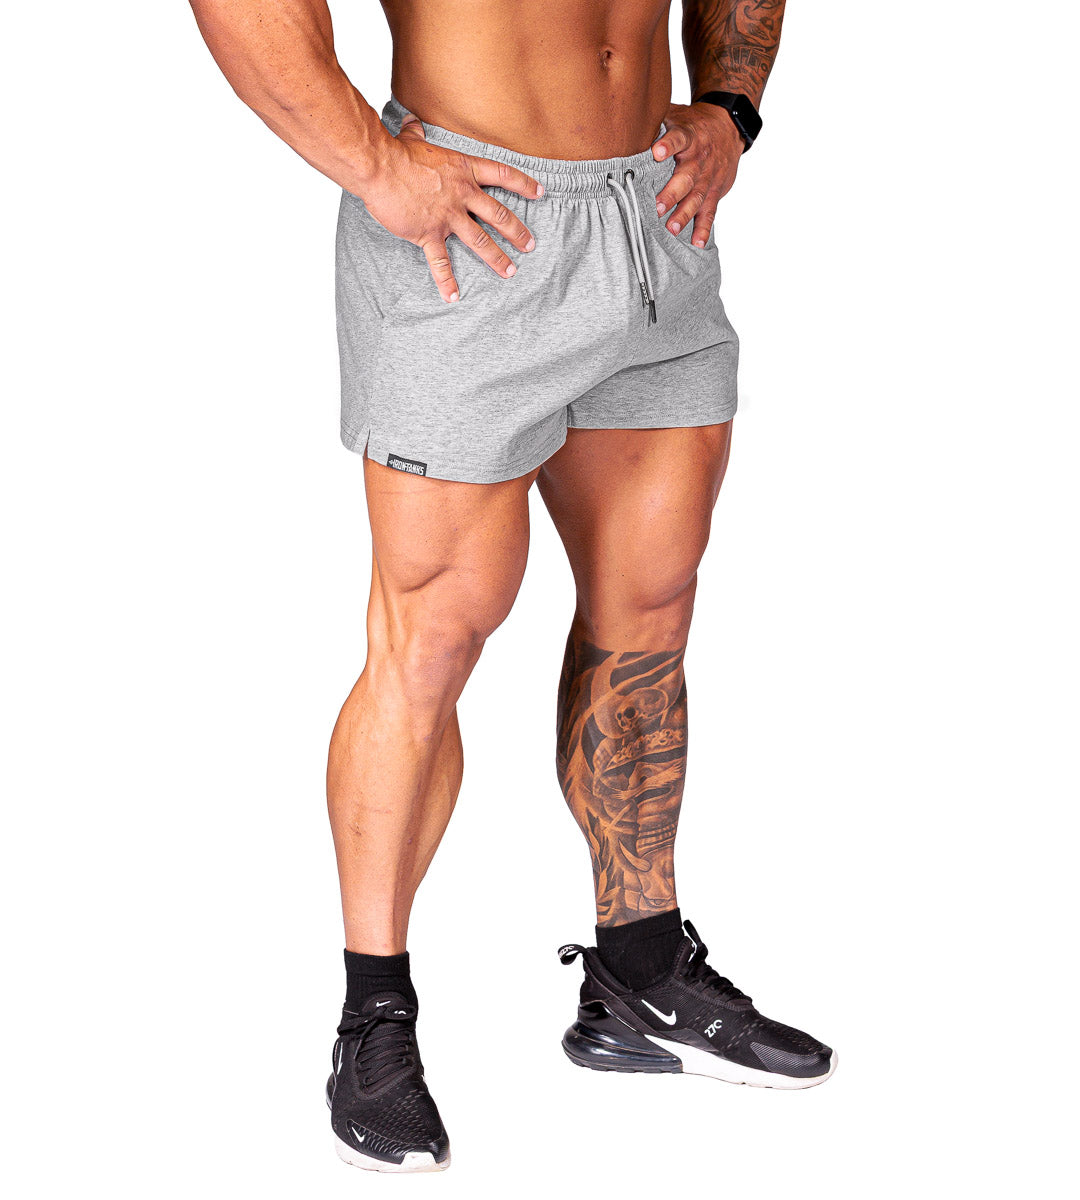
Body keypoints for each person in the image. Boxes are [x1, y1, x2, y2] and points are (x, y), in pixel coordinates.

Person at [190, 0, 835, 1173]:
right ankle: (374, 1016)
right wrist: (377, 167)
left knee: (651, 606)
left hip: (656, 220)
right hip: (472, 227)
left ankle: (640, 976)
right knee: (432, 639)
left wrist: (731, 108)